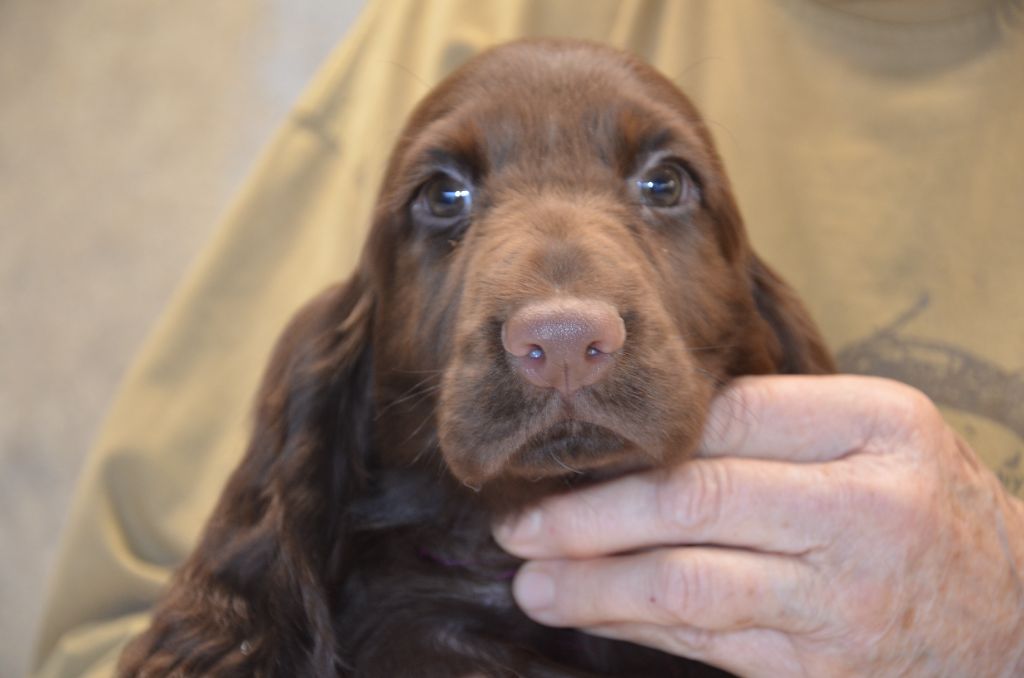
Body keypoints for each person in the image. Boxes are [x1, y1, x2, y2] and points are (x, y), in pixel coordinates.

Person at [33, 1, 1024, 676]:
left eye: (662, 188)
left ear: (771, 338)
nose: (563, 317)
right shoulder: (447, 17)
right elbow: (107, 639)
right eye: (447, 200)